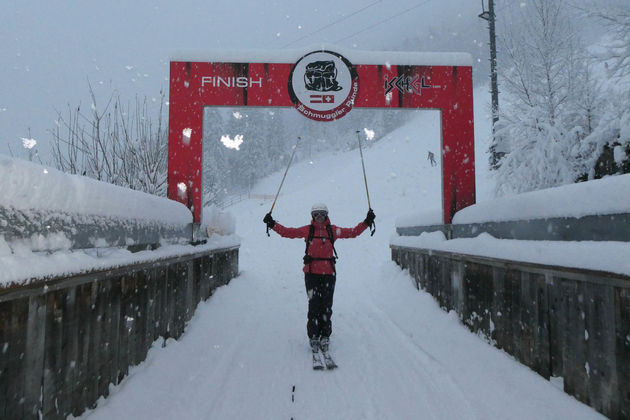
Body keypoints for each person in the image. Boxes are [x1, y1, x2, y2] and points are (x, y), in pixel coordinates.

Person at [263, 204, 375, 355]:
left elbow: (353, 232)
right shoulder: (308, 230)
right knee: (314, 305)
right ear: (313, 216)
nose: (320, 217)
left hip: (329, 273)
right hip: (311, 273)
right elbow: (288, 232)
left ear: (327, 215)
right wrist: (273, 224)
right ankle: (314, 335)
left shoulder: (332, 230)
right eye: (317, 215)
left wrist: (367, 222)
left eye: (322, 214)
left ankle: (325, 335)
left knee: (327, 305)